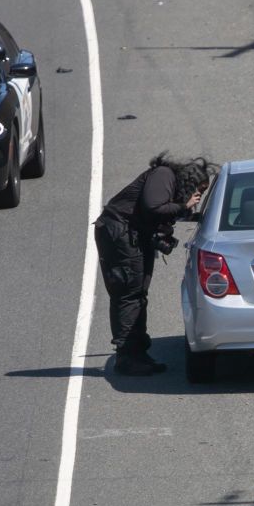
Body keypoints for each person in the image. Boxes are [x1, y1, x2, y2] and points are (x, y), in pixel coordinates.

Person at [94, 152, 215, 376]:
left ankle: (138, 351)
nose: (198, 196)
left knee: (139, 292)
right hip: (119, 234)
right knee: (129, 294)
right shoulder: (164, 175)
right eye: (198, 190)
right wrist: (183, 206)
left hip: (131, 236)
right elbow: (153, 206)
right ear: (189, 180)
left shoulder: (168, 184)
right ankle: (126, 357)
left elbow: (154, 214)